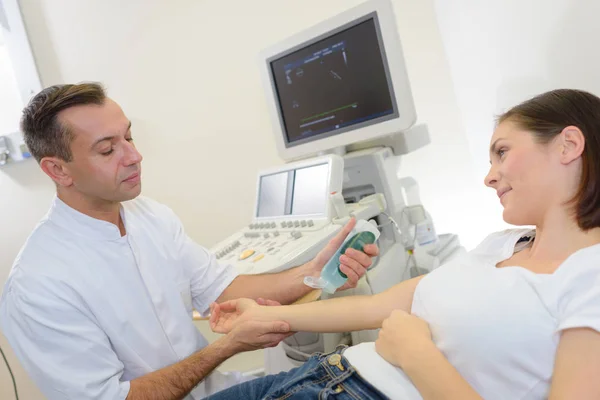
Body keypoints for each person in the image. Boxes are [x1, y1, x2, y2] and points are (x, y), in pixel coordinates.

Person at [207, 88, 600, 400]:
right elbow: (378, 306)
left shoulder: (591, 275)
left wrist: (417, 355)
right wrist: (263, 318)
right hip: (322, 374)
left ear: (568, 145)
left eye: (502, 152)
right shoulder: (503, 245)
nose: (490, 177)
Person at [0, 83, 379, 400]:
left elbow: (224, 287)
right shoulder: (38, 286)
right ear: (57, 169)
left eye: (129, 136)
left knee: (360, 370)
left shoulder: (150, 216)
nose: (134, 156)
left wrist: (311, 275)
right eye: (108, 149)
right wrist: (227, 347)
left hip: (211, 391)